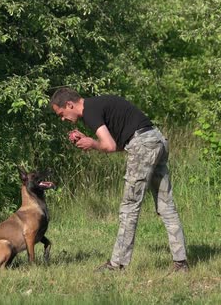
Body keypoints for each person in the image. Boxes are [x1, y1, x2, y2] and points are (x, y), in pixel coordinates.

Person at [50, 87, 189, 272]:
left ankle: (117, 265)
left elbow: (108, 145)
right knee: (166, 205)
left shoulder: (89, 111)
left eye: (61, 113)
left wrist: (92, 144)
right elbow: (121, 145)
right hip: (156, 140)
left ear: (70, 104)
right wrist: (92, 141)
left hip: (144, 145)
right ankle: (181, 263)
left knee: (129, 207)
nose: (62, 119)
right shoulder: (97, 105)